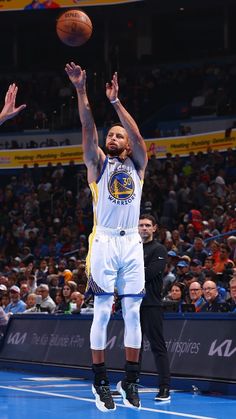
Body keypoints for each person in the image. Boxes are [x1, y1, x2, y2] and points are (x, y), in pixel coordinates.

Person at [66, 62, 148, 412]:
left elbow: (140, 138)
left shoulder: (138, 164)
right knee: (101, 312)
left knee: (133, 312)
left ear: (127, 143)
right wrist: (82, 90)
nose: (113, 138)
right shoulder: (98, 165)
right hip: (104, 242)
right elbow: (88, 127)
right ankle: (99, 379)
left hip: (132, 242)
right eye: (110, 135)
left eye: (118, 135)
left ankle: (130, 378)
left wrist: (116, 103)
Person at [138, 214, 171, 401]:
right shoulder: (132, 249)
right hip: (132, 305)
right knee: (134, 347)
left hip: (151, 304)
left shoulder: (159, 249)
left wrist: (131, 272)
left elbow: (150, 273)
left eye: (147, 225)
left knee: (158, 347)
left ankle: (165, 388)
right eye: (141, 225)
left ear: (154, 228)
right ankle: (131, 384)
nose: (144, 228)